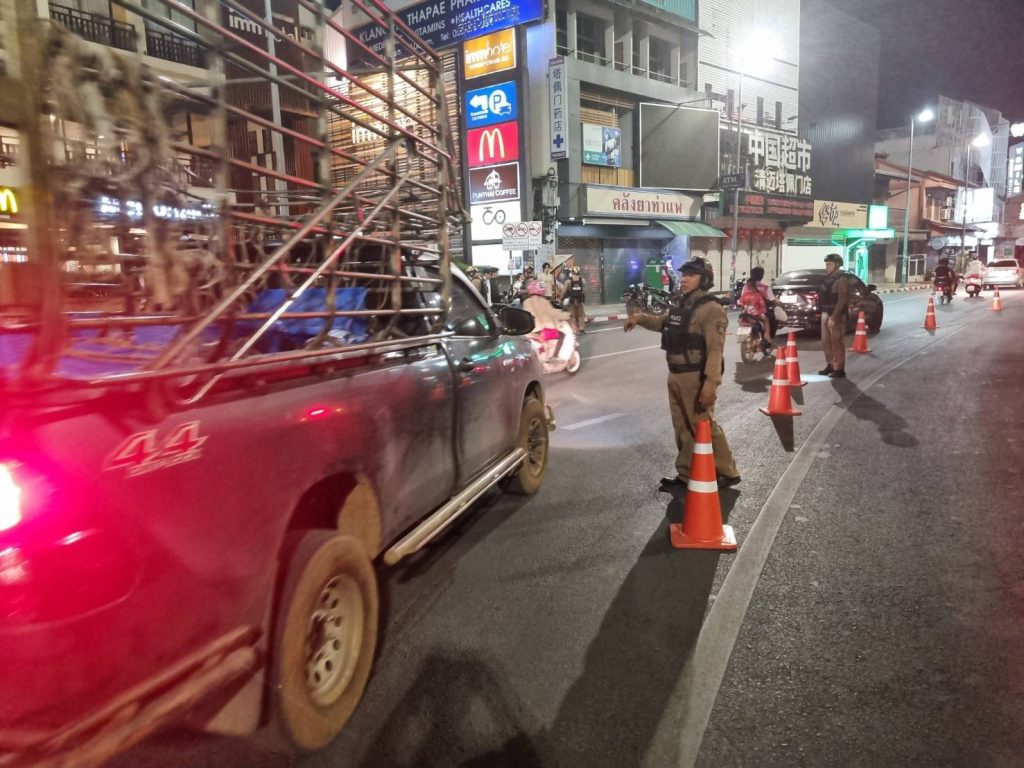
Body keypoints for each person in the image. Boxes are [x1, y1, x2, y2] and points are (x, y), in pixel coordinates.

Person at [624, 257, 740, 490]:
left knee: (703, 425)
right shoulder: (682, 305)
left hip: (695, 377)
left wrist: (711, 384)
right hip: (675, 374)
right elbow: (662, 323)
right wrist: (639, 318)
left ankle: (728, 471)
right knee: (682, 427)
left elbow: (715, 350)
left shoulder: (711, 309)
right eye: (684, 274)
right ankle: (686, 474)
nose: (684, 279)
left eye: (691, 275)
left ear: (704, 280)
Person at [818, 253, 850, 378]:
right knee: (826, 341)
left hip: (836, 315)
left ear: (837, 265)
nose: (827, 267)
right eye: (826, 264)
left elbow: (842, 300)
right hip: (825, 312)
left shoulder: (842, 279)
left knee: (837, 341)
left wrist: (834, 317)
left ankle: (839, 368)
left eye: (830, 264)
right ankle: (830, 364)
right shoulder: (826, 279)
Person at [523, 280, 571, 362]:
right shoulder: (543, 301)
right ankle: (555, 356)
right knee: (562, 335)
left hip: (531, 331)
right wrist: (566, 315)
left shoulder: (526, 302)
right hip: (544, 330)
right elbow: (553, 313)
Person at [738, 272, 773, 354]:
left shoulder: (744, 295)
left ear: (747, 286)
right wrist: (762, 312)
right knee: (766, 320)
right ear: (754, 286)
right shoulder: (758, 295)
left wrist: (744, 311)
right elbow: (763, 306)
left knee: (741, 322)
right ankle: (767, 335)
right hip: (756, 315)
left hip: (745, 315)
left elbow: (741, 305)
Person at [562, 265, 586, 333]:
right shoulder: (582, 280)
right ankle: (581, 328)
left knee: (572, 315)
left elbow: (564, 291)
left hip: (572, 300)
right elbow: (583, 288)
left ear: (572, 272)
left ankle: (574, 330)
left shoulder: (568, 281)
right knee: (581, 315)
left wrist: (561, 298)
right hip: (580, 300)